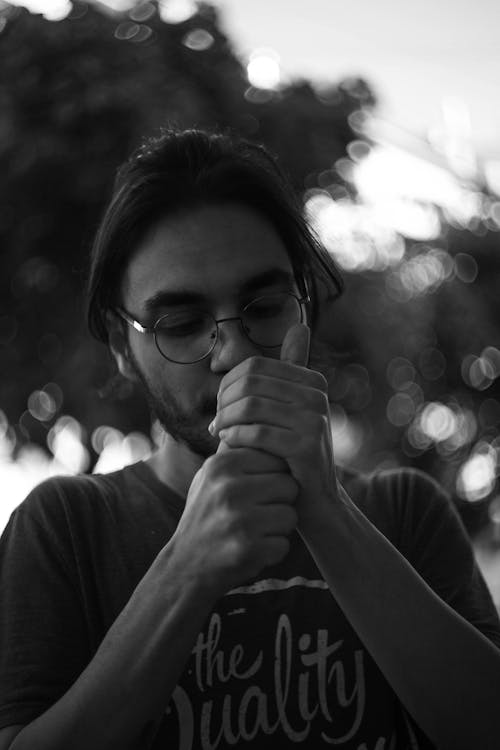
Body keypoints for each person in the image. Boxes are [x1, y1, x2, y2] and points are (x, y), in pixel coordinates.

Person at [1, 129, 500, 750]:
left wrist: (328, 515)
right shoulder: (65, 529)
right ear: (121, 347)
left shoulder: (405, 512)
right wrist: (184, 573)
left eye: (265, 307)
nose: (233, 352)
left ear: (305, 310)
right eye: (181, 325)